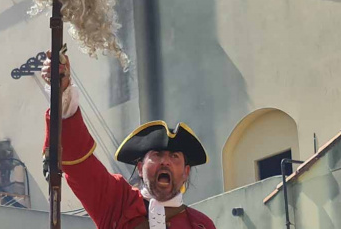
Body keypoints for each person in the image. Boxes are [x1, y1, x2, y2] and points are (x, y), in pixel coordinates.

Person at [43, 53, 216, 229]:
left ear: (186, 171)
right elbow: (78, 161)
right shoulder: (115, 201)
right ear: (140, 168)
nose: (165, 161)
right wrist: (62, 91)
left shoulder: (201, 225)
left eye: (174, 156)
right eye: (157, 154)